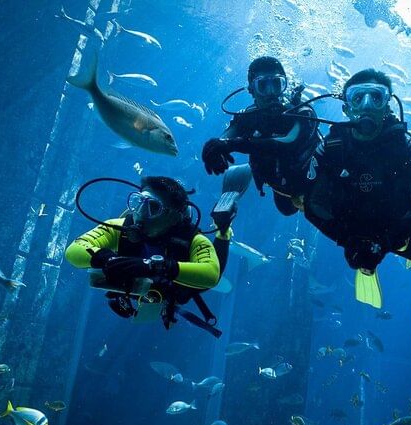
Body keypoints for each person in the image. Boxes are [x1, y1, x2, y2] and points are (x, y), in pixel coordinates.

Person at [303, 69, 411, 307]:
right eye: (357, 97)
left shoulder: (406, 147)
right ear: (346, 107)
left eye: (376, 97)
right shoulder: (330, 148)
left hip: (393, 222)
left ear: (387, 105)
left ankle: (403, 241)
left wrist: (386, 242)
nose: (366, 105)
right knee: (348, 263)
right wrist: (345, 239)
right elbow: (311, 204)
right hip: (349, 223)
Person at [65, 176, 230, 336]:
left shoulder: (193, 239)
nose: (141, 212)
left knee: (199, 285)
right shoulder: (119, 228)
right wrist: (107, 259)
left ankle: (223, 233)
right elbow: (74, 250)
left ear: (174, 217)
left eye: (153, 207)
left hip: (176, 289)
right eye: (138, 202)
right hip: (135, 289)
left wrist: (158, 267)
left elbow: (211, 273)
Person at [201, 56, 320, 216]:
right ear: (251, 90)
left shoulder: (302, 113)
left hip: (315, 181)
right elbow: (223, 139)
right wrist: (213, 149)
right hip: (280, 186)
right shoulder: (247, 117)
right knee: (286, 210)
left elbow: (288, 143)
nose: (271, 92)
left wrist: (231, 145)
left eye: (276, 84)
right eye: (263, 85)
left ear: (284, 85)